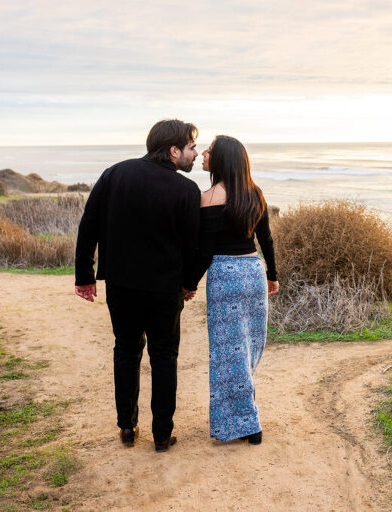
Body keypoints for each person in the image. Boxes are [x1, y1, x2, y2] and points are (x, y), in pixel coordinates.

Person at [74, 119, 201, 453]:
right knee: (163, 356)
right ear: (174, 151)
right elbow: (194, 246)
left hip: (121, 285)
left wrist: (84, 276)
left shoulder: (115, 174)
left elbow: (89, 225)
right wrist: (189, 284)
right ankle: (162, 435)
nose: (195, 153)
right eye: (191, 147)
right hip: (164, 289)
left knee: (126, 350)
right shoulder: (187, 191)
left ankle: (127, 427)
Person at [193, 135, 278, 444]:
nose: (204, 153)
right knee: (249, 347)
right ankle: (243, 417)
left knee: (227, 354)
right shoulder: (256, 194)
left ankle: (245, 423)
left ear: (223, 159)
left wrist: (190, 284)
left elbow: (205, 250)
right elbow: (265, 239)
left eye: (210, 151)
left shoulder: (210, 196)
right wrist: (273, 275)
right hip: (253, 272)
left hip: (225, 275)